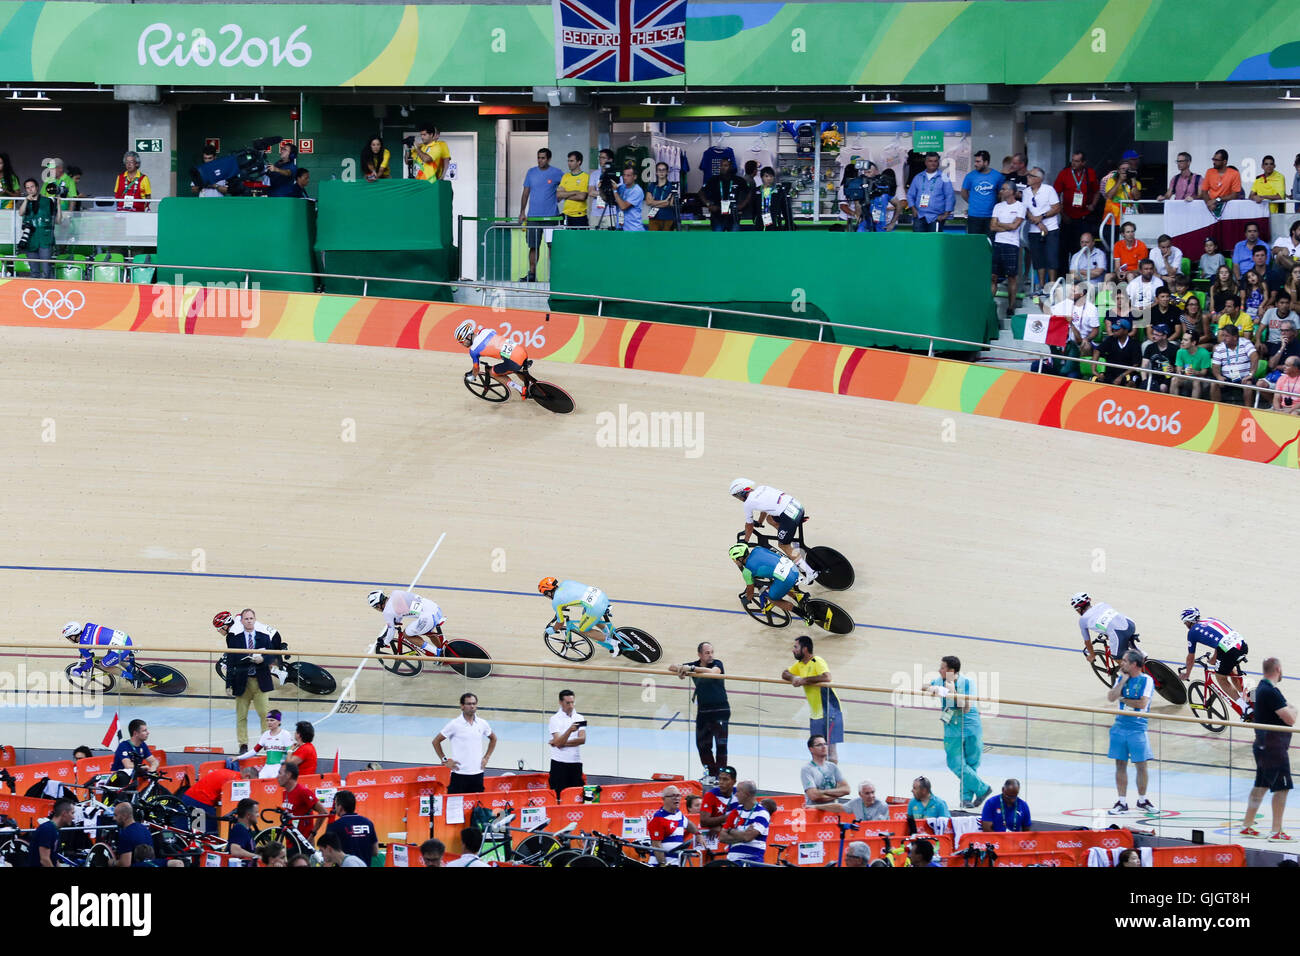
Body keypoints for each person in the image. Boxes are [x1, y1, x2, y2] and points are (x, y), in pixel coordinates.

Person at [924, 655, 991, 809]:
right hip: (951, 726)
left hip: (970, 724)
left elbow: (965, 708)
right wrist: (932, 688)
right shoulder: (940, 680)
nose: (939, 670)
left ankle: (965, 799)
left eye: (942, 667)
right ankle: (982, 788)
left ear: (951, 671)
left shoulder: (967, 683)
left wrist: (952, 692)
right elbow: (923, 686)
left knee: (971, 763)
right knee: (955, 762)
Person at [1240, 657, 1295, 843]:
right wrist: (1293, 709)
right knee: (1282, 788)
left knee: (1261, 786)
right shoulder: (1271, 691)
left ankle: (1247, 825)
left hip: (1263, 745)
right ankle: (1276, 831)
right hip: (1274, 747)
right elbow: (1290, 718)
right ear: (1278, 669)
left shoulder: (1263, 689)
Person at [216, 609, 282, 754]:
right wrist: (228, 684)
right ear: (241, 621)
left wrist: (263, 659)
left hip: (260, 682)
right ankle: (243, 744)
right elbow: (231, 662)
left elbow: (272, 657)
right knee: (241, 716)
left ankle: (266, 742)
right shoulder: (234, 639)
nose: (249, 621)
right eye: (246, 619)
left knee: (265, 715)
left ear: (254, 619)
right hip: (242, 682)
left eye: (251, 618)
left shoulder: (264, 637)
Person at [729, 478, 818, 582]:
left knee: (783, 545)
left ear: (741, 493)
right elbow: (765, 510)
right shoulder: (762, 488)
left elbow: (749, 524)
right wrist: (760, 522)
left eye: (736, 496)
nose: (738, 498)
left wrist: (745, 541)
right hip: (797, 507)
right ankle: (789, 538)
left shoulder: (748, 503)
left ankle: (810, 572)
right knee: (770, 519)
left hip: (789, 517)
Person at [669, 643, 729, 784]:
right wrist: (681, 669)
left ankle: (721, 777)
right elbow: (670, 666)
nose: (711, 655)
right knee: (702, 743)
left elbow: (714, 673)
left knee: (721, 745)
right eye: (707, 653)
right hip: (703, 711)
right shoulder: (693, 665)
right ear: (700, 654)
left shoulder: (717, 663)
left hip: (720, 710)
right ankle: (711, 774)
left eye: (712, 652)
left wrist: (691, 669)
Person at [1107, 649, 1157, 815]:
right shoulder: (1121, 678)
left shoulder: (1147, 680)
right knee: (1120, 764)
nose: (1122, 663)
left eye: (1125, 661)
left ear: (1134, 664)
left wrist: (1123, 699)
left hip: (1137, 727)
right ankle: (1121, 802)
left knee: (1141, 765)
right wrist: (1122, 682)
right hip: (1120, 726)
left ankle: (1142, 800)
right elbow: (1111, 697)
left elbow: (1142, 704)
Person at [1177, 608, 1251, 717]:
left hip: (1227, 650)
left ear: (1188, 621)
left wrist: (1187, 673)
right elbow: (1220, 642)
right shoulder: (1210, 619)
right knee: (1230, 669)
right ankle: (1248, 699)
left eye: (1185, 623)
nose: (1185, 625)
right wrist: (1213, 660)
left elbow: (1190, 657)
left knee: (1220, 678)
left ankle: (1245, 708)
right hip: (1241, 644)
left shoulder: (1192, 632)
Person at [782, 635, 845, 762]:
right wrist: (794, 678)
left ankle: (831, 781)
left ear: (805, 649)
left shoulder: (817, 661)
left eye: (796, 647)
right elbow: (784, 673)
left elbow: (827, 677)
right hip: (816, 714)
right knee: (817, 751)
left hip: (830, 711)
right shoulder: (800, 664)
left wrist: (804, 680)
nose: (793, 650)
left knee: (830, 751)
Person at [433, 692, 497, 794]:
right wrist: (445, 761)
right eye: (469, 704)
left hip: (478, 773)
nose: (472, 706)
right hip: (459, 774)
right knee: (454, 807)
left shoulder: (482, 723)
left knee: (476, 808)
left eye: (474, 703)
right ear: (462, 706)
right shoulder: (454, 724)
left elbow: (493, 738)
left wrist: (486, 758)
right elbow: (436, 741)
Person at [538, 576, 619, 656]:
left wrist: (553, 629)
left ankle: (614, 643)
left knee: (583, 630)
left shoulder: (556, 602)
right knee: (586, 614)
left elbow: (560, 623)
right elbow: (568, 598)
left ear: (548, 592)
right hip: (601, 595)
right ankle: (607, 632)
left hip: (595, 606)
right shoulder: (566, 582)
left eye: (545, 594)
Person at [729, 542, 807, 624]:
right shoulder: (757, 549)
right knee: (777, 584)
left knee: (772, 598)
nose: (734, 562)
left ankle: (804, 615)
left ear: (740, 558)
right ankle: (799, 598)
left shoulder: (747, 571)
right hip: (792, 567)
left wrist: (746, 600)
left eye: (734, 559)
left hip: (786, 578)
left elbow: (750, 593)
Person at [453, 320, 531, 402]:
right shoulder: (484, 330)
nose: (462, 344)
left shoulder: (473, 350)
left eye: (462, 341)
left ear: (468, 336)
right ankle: (531, 385)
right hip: (521, 350)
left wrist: (472, 377)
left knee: (492, 372)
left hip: (514, 360)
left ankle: (521, 389)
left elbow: (476, 369)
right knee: (516, 369)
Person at [1054, 151, 1102, 274]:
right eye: (1073, 160)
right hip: (1068, 218)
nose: (1073, 163)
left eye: (1077, 161)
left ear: (1083, 162)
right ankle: (1063, 278)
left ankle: (1079, 277)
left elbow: (1097, 191)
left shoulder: (1090, 173)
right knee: (1063, 249)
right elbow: (1055, 195)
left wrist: (1093, 205)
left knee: (1080, 248)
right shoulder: (1064, 173)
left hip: (1084, 218)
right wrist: (1062, 214)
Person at [518, 147, 559, 282]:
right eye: (538, 157)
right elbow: (526, 193)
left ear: (548, 159)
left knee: (551, 246)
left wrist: (561, 197)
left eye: (543, 158)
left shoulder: (557, 173)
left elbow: (566, 188)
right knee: (533, 246)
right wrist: (522, 211)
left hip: (551, 217)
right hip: (533, 217)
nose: (540, 160)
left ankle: (555, 275)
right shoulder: (531, 172)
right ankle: (532, 274)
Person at [180, 763, 257, 834]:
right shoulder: (237, 781)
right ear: (247, 776)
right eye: (251, 782)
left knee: (192, 831)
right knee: (210, 832)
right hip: (200, 800)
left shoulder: (233, 774)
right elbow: (237, 802)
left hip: (192, 796)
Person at [63, 620, 142, 687]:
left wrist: (80, 669)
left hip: (121, 648)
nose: (69, 639)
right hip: (125, 638)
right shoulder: (89, 625)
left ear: (74, 635)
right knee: (110, 656)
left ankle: (132, 677)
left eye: (69, 637)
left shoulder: (83, 646)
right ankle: (130, 668)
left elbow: (89, 664)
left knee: (103, 666)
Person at [366, 588, 446, 654]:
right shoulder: (395, 593)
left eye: (375, 607)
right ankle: (443, 650)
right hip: (435, 608)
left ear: (378, 605)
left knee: (406, 634)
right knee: (427, 631)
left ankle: (437, 652)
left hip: (427, 617)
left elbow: (391, 631)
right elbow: (399, 613)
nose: (377, 609)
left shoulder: (387, 612)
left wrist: (385, 642)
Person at [1073, 592, 1141, 662]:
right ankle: (1142, 655)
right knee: (1125, 642)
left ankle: (1134, 672)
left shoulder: (1083, 620)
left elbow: (1087, 641)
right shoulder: (1102, 604)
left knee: (1118, 658)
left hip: (1119, 633)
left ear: (1079, 608)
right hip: (1130, 623)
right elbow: (1111, 621)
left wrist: (1092, 655)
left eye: (1076, 609)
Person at [1023, 166, 1061, 286]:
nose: (1027, 177)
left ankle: (1052, 286)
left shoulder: (1049, 190)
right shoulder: (1026, 191)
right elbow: (1026, 210)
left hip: (1051, 228)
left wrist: (1042, 217)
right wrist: (1038, 223)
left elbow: (1057, 208)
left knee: (1051, 257)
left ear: (1038, 179)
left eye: (1031, 176)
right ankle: (1041, 285)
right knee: (1038, 259)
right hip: (1034, 229)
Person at [989, 181, 1025, 305]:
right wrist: (1007, 226)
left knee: (1011, 277)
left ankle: (1011, 306)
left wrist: (1000, 224)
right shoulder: (998, 206)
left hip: (1012, 244)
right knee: (992, 276)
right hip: (998, 243)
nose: (1001, 191)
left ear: (1011, 191)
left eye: (1004, 189)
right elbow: (992, 227)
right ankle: (989, 303)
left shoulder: (1020, 206)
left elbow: (1015, 226)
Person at [717, 780, 769, 865]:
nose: (736, 794)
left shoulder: (762, 813)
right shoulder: (736, 811)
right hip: (732, 860)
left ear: (747, 794)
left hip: (752, 861)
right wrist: (743, 835)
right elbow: (722, 837)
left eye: (738, 791)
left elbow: (748, 837)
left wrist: (731, 831)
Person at [547, 689, 586, 800]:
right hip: (559, 764)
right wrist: (569, 731)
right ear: (560, 702)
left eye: (572, 702)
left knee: (576, 797)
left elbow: (582, 739)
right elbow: (559, 743)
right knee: (558, 796)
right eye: (567, 703)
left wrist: (559, 742)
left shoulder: (579, 718)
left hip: (575, 763)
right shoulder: (554, 719)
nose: (571, 705)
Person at [18, 178, 59, 279]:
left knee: (46, 271)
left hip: (45, 239)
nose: (30, 189)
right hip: (31, 239)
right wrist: (26, 200)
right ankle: (35, 293)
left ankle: (46, 292)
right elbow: (21, 213)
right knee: (34, 271)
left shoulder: (47, 201)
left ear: (37, 187)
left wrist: (58, 204)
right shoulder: (26, 202)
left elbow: (58, 220)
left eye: (32, 187)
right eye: (27, 188)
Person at [648, 785, 698, 866]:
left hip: (676, 863)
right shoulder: (658, 818)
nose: (677, 798)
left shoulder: (679, 814)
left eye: (678, 795)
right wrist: (663, 864)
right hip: (659, 864)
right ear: (664, 799)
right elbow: (656, 845)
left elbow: (689, 825)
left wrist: (698, 834)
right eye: (673, 796)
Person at [236, 709, 294, 778]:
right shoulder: (265, 735)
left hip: (279, 767)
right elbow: (254, 751)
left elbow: (290, 753)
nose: (269, 722)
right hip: (267, 767)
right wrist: (238, 757)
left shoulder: (285, 734)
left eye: (272, 720)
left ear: (279, 721)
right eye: (267, 720)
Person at [277, 762, 327, 841]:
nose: (277, 776)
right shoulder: (285, 792)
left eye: (280, 773)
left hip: (304, 843)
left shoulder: (303, 791)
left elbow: (323, 812)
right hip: (291, 841)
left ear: (289, 775)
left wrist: (312, 835)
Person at [1210, 324, 1259, 404]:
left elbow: (1255, 357)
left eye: (1226, 336)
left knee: (1248, 384)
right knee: (1214, 384)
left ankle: (1248, 411)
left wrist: (1251, 374)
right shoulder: (1219, 348)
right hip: (1227, 378)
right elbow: (1215, 366)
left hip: (1244, 378)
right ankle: (1216, 409)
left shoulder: (1245, 342)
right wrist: (1219, 376)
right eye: (1223, 336)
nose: (1224, 338)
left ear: (1235, 337)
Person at [325, 790, 377, 864]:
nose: (335, 808)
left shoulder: (335, 826)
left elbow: (327, 853)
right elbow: (375, 851)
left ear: (340, 807)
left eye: (336, 805)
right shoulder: (368, 823)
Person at [906, 151, 953, 232]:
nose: (933, 163)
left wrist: (945, 215)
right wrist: (913, 209)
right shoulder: (918, 177)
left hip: (936, 217)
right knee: (918, 241)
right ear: (925, 162)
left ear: (938, 163)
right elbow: (910, 195)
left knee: (934, 242)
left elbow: (950, 196)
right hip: (920, 216)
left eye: (935, 161)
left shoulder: (944, 178)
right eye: (930, 161)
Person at [960, 149, 1004, 235]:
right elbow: (963, 193)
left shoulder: (998, 176)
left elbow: (1001, 194)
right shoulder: (970, 176)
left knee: (989, 242)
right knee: (974, 243)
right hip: (974, 215)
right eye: (975, 161)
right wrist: (972, 202)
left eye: (978, 162)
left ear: (986, 162)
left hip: (991, 216)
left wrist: (994, 204)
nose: (975, 164)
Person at [699, 157, 748, 232]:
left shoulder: (738, 180)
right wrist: (708, 204)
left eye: (725, 165)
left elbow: (750, 192)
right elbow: (701, 192)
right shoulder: (713, 179)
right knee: (718, 241)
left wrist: (742, 205)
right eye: (721, 165)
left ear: (731, 167)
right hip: (717, 216)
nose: (722, 167)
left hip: (733, 216)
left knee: (734, 241)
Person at [801, 734, 849, 806]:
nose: (824, 747)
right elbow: (814, 796)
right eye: (819, 745)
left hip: (832, 812)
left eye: (825, 744)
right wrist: (837, 794)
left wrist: (823, 792)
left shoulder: (832, 767)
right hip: (814, 812)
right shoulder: (807, 769)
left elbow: (846, 789)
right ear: (811, 749)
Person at [27, 798, 74, 866]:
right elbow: (44, 860)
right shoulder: (47, 829)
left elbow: (54, 859)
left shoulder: (54, 830)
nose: (73, 817)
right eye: (72, 813)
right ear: (64, 813)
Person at [1095, 318, 1141, 386]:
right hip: (1110, 373)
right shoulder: (1110, 340)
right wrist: (1094, 371)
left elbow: (1136, 365)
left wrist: (1121, 376)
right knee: (1095, 379)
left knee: (1130, 383)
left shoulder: (1134, 344)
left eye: (1117, 329)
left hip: (1126, 374)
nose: (1114, 331)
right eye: (1113, 329)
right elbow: (1097, 351)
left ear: (1125, 330)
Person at [751, 166, 794, 232]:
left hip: (775, 223)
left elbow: (785, 209)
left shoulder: (779, 191)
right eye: (766, 176)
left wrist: (788, 224)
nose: (769, 179)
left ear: (774, 177)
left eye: (771, 176)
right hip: (759, 224)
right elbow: (753, 207)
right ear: (761, 177)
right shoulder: (756, 191)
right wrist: (755, 219)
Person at [1101, 154, 1141, 223]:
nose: (1125, 171)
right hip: (1114, 218)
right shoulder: (1111, 180)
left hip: (1129, 217)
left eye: (1128, 169)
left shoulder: (1136, 182)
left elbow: (1137, 197)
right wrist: (1119, 181)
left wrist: (1133, 180)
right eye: (1123, 169)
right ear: (1118, 171)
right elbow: (1109, 196)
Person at [556, 150, 591, 227]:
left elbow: (582, 196)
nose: (569, 163)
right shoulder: (565, 176)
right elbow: (558, 195)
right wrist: (574, 192)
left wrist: (565, 195)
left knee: (580, 239)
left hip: (579, 216)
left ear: (579, 162)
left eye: (571, 161)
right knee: (566, 239)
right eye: (568, 161)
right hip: (566, 215)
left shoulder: (585, 177)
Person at [112, 802, 152, 868]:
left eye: (116, 815)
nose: (114, 818)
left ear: (124, 816)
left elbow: (125, 864)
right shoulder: (144, 829)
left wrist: (112, 862)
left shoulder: (126, 834)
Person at [1174, 331, 1213, 400]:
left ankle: (1193, 406)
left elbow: (1204, 372)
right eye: (1182, 339)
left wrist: (1195, 372)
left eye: (1185, 340)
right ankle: (1173, 404)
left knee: (1196, 381)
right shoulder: (1180, 351)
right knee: (1174, 379)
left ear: (1193, 343)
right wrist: (1184, 372)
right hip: (1186, 376)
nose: (1182, 342)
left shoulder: (1204, 353)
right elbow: (1178, 371)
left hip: (1199, 378)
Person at [1142, 323, 1179, 393]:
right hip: (1153, 376)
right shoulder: (1150, 347)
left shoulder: (1174, 349)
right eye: (1153, 334)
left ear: (1164, 336)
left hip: (1167, 378)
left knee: (1163, 387)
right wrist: (1145, 381)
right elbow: (1144, 365)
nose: (1153, 336)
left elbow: (1179, 368)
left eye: (1156, 335)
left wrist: (1173, 368)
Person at [643, 161, 679, 231]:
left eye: (663, 170)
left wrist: (654, 202)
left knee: (666, 240)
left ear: (667, 172)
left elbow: (669, 203)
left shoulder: (672, 186)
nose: (661, 172)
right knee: (654, 240)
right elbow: (648, 202)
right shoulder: (652, 185)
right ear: (656, 172)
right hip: (654, 218)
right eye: (659, 170)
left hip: (668, 218)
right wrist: (664, 201)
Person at [226, 798, 260, 864]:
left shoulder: (246, 830)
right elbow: (235, 851)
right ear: (248, 815)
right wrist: (257, 857)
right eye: (256, 812)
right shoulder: (239, 829)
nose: (258, 815)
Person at [612, 165, 645, 231]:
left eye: (628, 175)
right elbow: (609, 200)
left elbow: (623, 207)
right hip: (621, 228)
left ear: (634, 177)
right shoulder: (621, 187)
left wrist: (615, 191)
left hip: (633, 229)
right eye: (624, 175)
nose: (625, 177)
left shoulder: (637, 190)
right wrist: (602, 189)